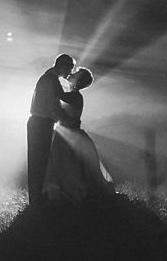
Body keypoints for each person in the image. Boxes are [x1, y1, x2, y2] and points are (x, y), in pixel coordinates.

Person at [42, 67, 115, 204]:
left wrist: (53, 77)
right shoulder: (73, 95)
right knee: (64, 165)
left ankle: (73, 194)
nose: (72, 73)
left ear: (78, 80)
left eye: (75, 73)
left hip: (69, 135)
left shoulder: (75, 96)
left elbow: (58, 95)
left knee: (66, 165)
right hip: (67, 133)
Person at [27, 54, 76, 206]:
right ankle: (36, 202)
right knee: (39, 162)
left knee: (39, 161)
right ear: (62, 66)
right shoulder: (50, 80)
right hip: (41, 124)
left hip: (40, 123)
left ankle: (37, 200)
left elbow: (57, 101)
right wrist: (69, 121)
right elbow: (53, 106)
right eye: (69, 69)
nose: (69, 73)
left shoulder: (49, 79)